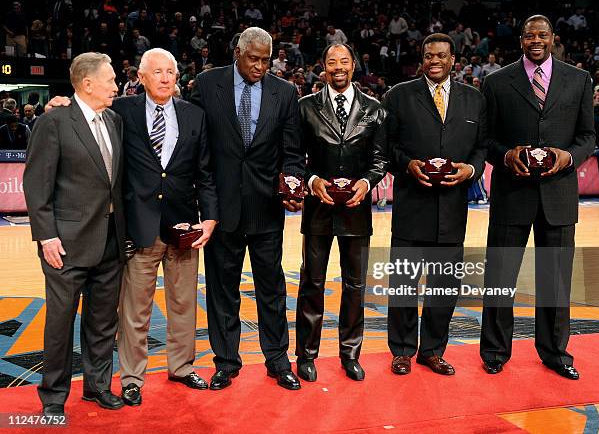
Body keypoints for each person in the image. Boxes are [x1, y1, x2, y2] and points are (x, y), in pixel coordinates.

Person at [46, 48, 218, 406]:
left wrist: (210, 217)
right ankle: (132, 377)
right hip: (138, 227)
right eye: (158, 72)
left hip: (183, 225)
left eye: (172, 71)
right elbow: (82, 111)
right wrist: (59, 104)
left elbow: (205, 173)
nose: (167, 78)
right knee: (135, 310)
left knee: (185, 304)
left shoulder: (194, 115)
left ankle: (182, 367)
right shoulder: (120, 110)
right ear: (141, 77)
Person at [479, 15, 595, 380]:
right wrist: (505, 155)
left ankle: (555, 352)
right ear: (521, 40)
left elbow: (588, 137)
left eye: (542, 34)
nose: (536, 40)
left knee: (556, 279)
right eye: (530, 35)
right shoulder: (496, 82)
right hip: (512, 192)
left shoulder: (579, 79)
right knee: (500, 276)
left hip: (558, 195)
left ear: (553, 38)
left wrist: (569, 157)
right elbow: (485, 140)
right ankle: (495, 351)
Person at [190, 27, 305, 391]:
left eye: (266, 60)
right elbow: (194, 142)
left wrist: (292, 182)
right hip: (220, 207)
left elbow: (292, 153)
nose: (259, 66)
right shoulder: (207, 85)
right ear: (237, 52)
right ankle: (226, 362)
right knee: (223, 290)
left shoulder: (285, 92)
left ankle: (278, 359)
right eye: (253, 59)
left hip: (266, 206)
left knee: (272, 288)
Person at [24, 52, 126, 416]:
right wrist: (46, 236)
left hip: (110, 240)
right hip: (64, 245)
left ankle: (98, 387)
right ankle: (53, 397)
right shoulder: (54, 122)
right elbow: (36, 185)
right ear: (87, 84)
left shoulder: (114, 119)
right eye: (111, 79)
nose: (116, 85)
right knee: (60, 323)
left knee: (103, 322)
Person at [383, 33, 487, 377]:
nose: (435, 61)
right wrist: (407, 164)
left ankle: (432, 350)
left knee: (444, 288)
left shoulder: (475, 98)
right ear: (421, 59)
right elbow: (387, 147)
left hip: (452, 210)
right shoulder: (399, 95)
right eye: (429, 56)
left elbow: (481, 147)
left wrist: (471, 169)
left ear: (454, 60)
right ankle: (401, 351)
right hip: (412, 207)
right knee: (403, 285)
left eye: (442, 55)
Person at [295, 43, 389, 382]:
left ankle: (350, 353)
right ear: (323, 67)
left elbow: (380, 159)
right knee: (312, 283)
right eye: (331, 61)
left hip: (356, 209)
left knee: (355, 285)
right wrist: (312, 179)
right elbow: (294, 155)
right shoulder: (305, 107)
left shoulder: (372, 109)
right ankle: (306, 354)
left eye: (344, 61)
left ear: (354, 66)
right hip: (318, 208)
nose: (338, 67)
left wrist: (366, 182)